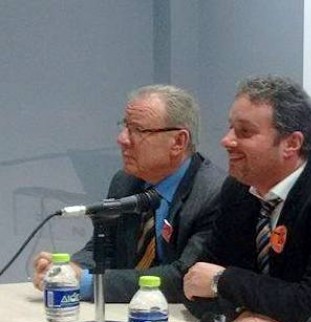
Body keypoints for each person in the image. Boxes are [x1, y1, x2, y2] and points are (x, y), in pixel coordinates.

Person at [183, 76, 311, 322]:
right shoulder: (238, 188)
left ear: (291, 144)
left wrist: (224, 281)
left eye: (244, 132)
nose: (226, 141)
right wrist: (239, 313)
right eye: (230, 128)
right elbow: (194, 282)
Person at [31, 85, 226, 303]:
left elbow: (185, 277)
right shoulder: (125, 182)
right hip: (131, 311)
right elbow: (104, 249)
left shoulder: (215, 194)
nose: (122, 139)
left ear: (178, 142)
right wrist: (68, 270)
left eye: (138, 130)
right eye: (125, 126)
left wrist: (86, 282)